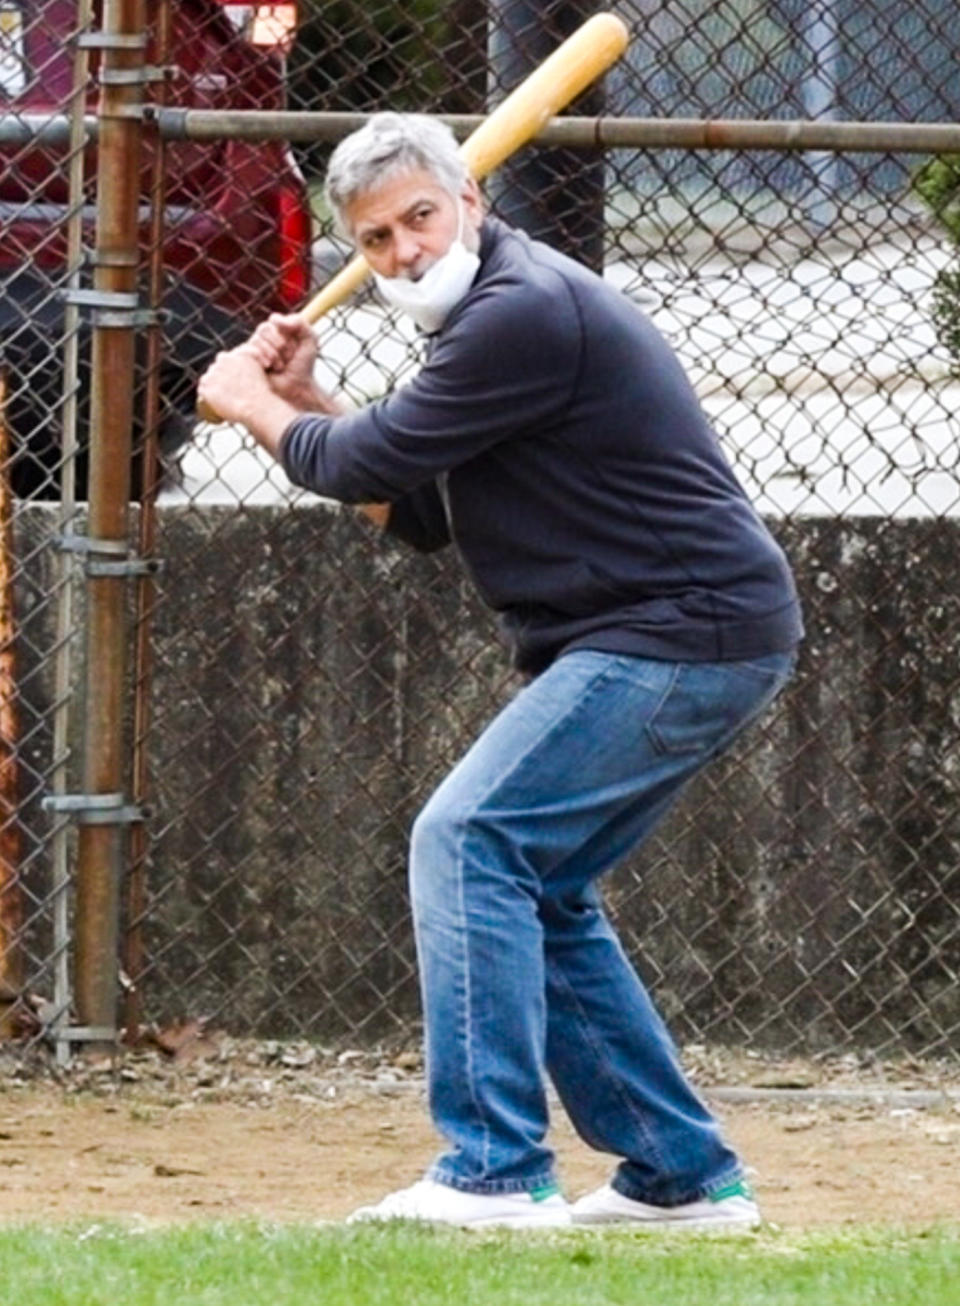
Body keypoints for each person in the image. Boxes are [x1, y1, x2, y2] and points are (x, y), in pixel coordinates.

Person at [198, 112, 803, 1231]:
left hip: (682, 629)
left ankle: (492, 1168)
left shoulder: (520, 312)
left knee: (470, 837)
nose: (403, 253)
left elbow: (365, 461)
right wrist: (304, 405)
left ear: (470, 202)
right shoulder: (485, 318)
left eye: (420, 218)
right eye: (374, 241)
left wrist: (255, 406)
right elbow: (417, 508)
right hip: (671, 631)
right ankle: (681, 1175)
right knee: (539, 882)